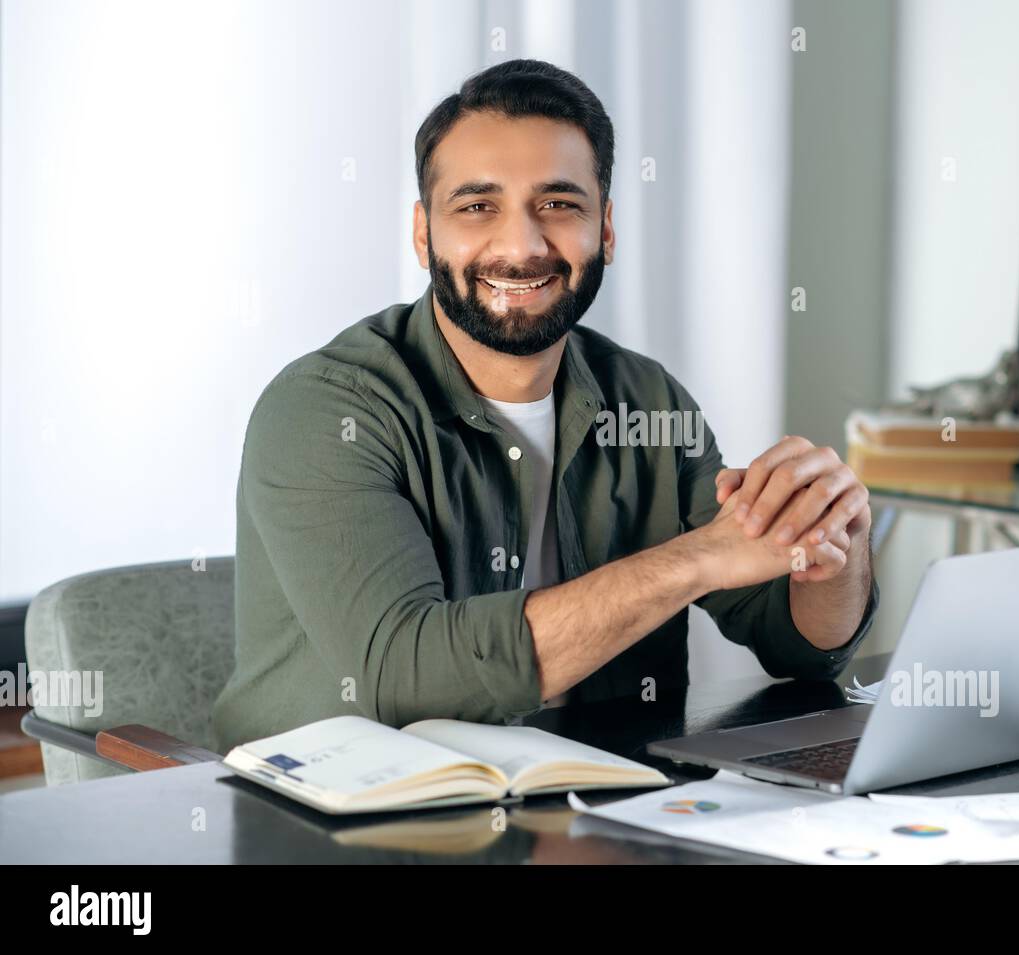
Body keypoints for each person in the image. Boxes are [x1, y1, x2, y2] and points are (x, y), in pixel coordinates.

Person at [213, 59, 877, 751]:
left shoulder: (648, 402)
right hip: (335, 828)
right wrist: (695, 560)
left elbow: (802, 646)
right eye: (478, 207)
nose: (522, 245)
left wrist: (833, 538)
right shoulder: (324, 411)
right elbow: (408, 675)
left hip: (593, 811)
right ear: (423, 232)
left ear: (606, 229)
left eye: (559, 204)